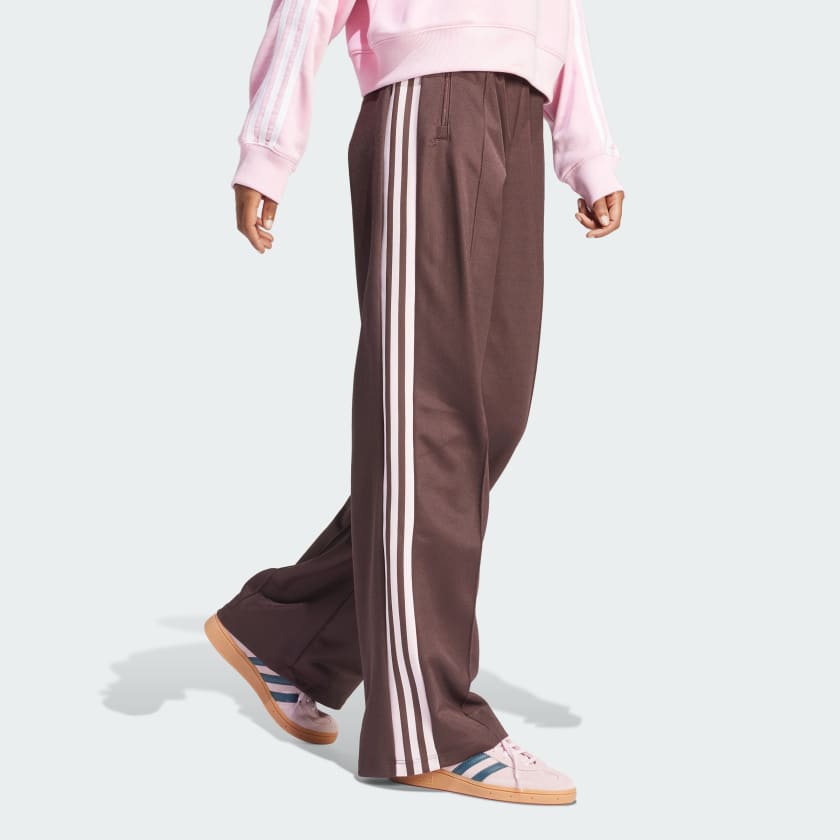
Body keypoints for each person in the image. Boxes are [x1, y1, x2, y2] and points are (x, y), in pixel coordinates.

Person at [207, 0, 625, 806]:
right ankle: (430, 727)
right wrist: (268, 148)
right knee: (425, 414)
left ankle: (288, 636)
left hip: (519, 109)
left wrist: (589, 152)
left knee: (489, 418)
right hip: (428, 105)